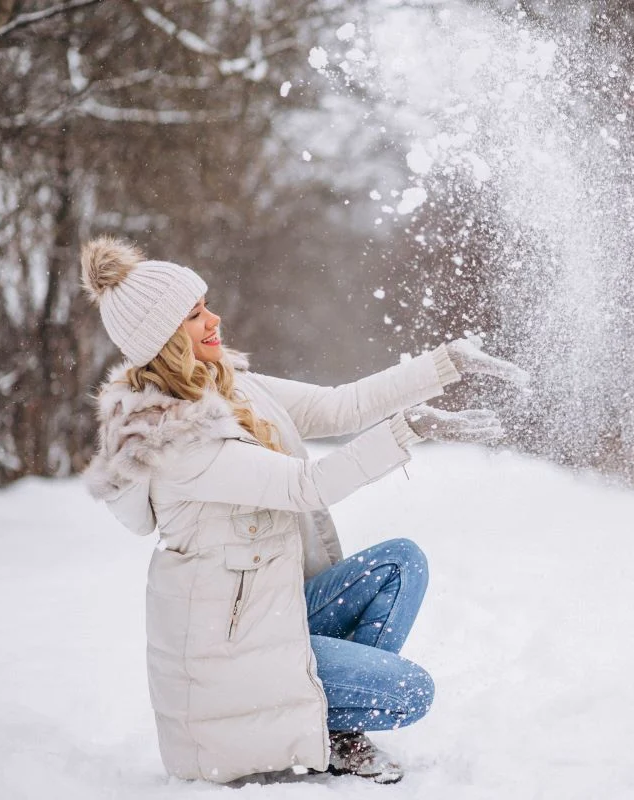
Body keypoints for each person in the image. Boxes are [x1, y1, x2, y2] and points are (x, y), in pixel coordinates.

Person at [80, 237, 527, 784]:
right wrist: (411, 430)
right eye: (196, 315)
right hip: (231, 662)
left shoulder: (232, 390)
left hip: (268, 616)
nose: (214, 318)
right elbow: (306, 486)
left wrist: (443, 364)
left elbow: (340, 405)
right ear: (168, 339)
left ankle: (333, 729)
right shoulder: (177, 439)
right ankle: (323, 721)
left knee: (400, 563)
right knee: (410, 692)